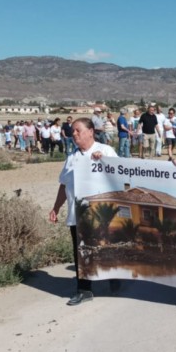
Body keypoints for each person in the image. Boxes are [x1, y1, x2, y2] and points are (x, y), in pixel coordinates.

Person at [49, 117, 120, 306]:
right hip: (77, 214)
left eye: (78, 130)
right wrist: (56, 207)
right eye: (72, 131)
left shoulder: (106, 151)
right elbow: (64, 185)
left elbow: (121, 177)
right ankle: (84, 289)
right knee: (81, 252)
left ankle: (115, 277)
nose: (74, 134)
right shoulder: (72, 158)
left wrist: (104, 162)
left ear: (91, 132)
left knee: (106, 247)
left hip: (102, 213)